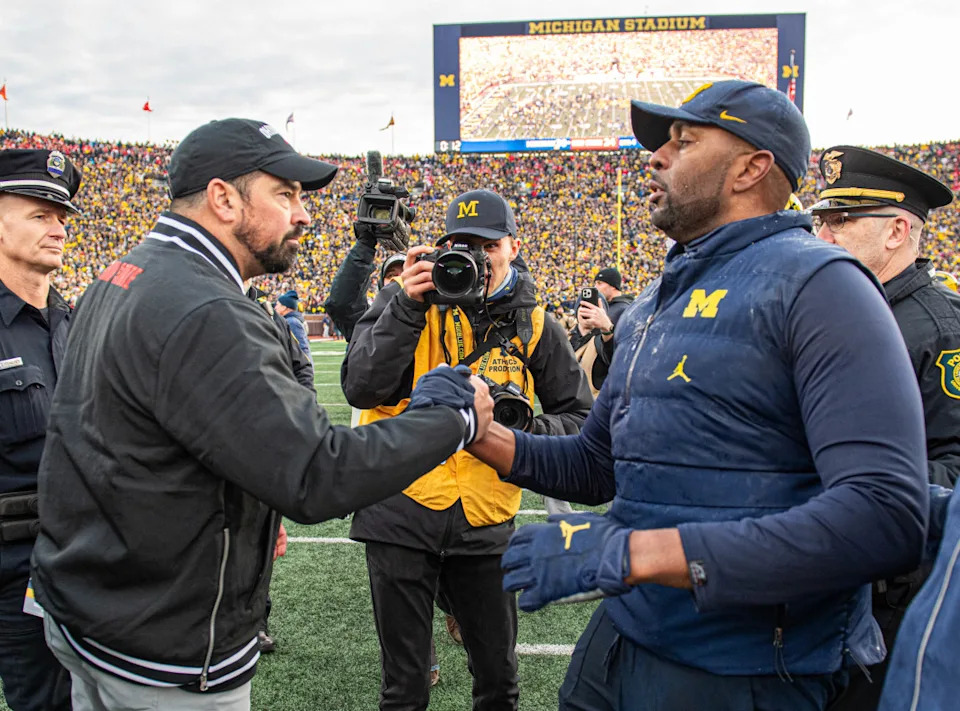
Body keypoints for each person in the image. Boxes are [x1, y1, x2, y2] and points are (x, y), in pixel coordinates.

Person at [467, 81, 930, 710]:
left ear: (752, 167)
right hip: (625, 637)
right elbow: (598, 465)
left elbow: (884, 514)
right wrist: (477, 432)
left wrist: (634, 551)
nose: (655, 157)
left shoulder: (822, 287)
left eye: (683, 142)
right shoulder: (656, 299)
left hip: (745, 667)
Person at [31, 118, 493, 709]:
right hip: (164, 641)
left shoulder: (131, 269)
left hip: (94, 604)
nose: (303, 215)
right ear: (223, 198)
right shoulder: (206, 308)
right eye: (286, 194)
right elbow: (315, 475)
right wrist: (453, 419)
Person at [342, 188, 593, 710]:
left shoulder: (535, 321)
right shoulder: (406, 298)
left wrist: (516, 435)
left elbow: (581, 417)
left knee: (498, 679)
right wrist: (407, 306)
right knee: (404, 687)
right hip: (400, 507)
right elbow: (362, 387)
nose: (475, 257)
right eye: (460, 243)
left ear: (513, 247)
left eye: (487, 245)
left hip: (485, 518)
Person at [808, 146, 960, 709]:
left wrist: (854, 480)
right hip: (827, 569)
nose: (823, 233)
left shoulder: (939, 328)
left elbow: (956, 461)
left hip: (891, 589)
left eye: (842, 220)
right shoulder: (843, 305)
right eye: (821, 219)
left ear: (898, 231)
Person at [0, 149, 79, 711]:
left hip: (65, 567)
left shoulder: (77, 325)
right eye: (38, 214)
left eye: (61, 216)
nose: (58, 229)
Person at [274, 289, 310, 355]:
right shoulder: (292, 320)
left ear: (284, 307)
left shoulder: (292, 322)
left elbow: (301, 348)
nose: (275, 307)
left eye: (277, 304)